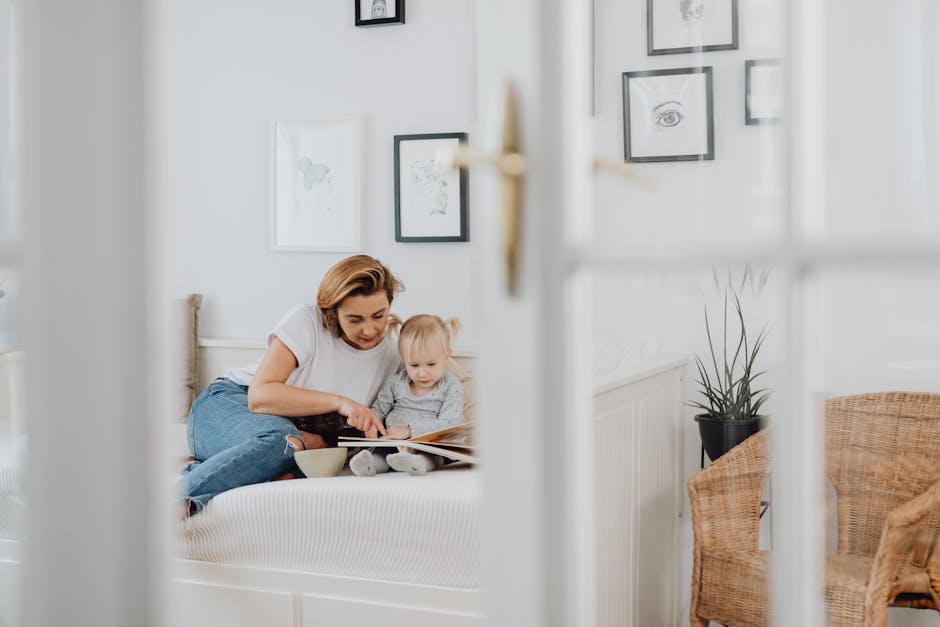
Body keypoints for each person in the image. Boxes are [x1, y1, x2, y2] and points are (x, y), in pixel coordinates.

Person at [180, 255, 403, 515]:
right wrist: (340, 402)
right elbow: (260, 396)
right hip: (226, 404)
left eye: (379, 315)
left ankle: (203, 468)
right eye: (355, 320)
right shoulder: (307, 321)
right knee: (285, 442)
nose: (369, 330)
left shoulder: (393, 357)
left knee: (298, 466)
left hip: (286, 436)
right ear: (332, 312)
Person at [350, 314, 465, 476]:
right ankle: (370, 465)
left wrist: (410, 430)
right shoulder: (396, 382)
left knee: (433, 454)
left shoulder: (451, 386)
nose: (422, 373)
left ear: (446, 357)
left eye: (431, 364)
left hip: (430, 444)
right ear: (404, 359)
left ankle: (418, 463)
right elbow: (379, 409)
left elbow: (451, 424)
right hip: (394, 443)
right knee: (381, 453)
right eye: (414, 365)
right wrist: (372, 425)